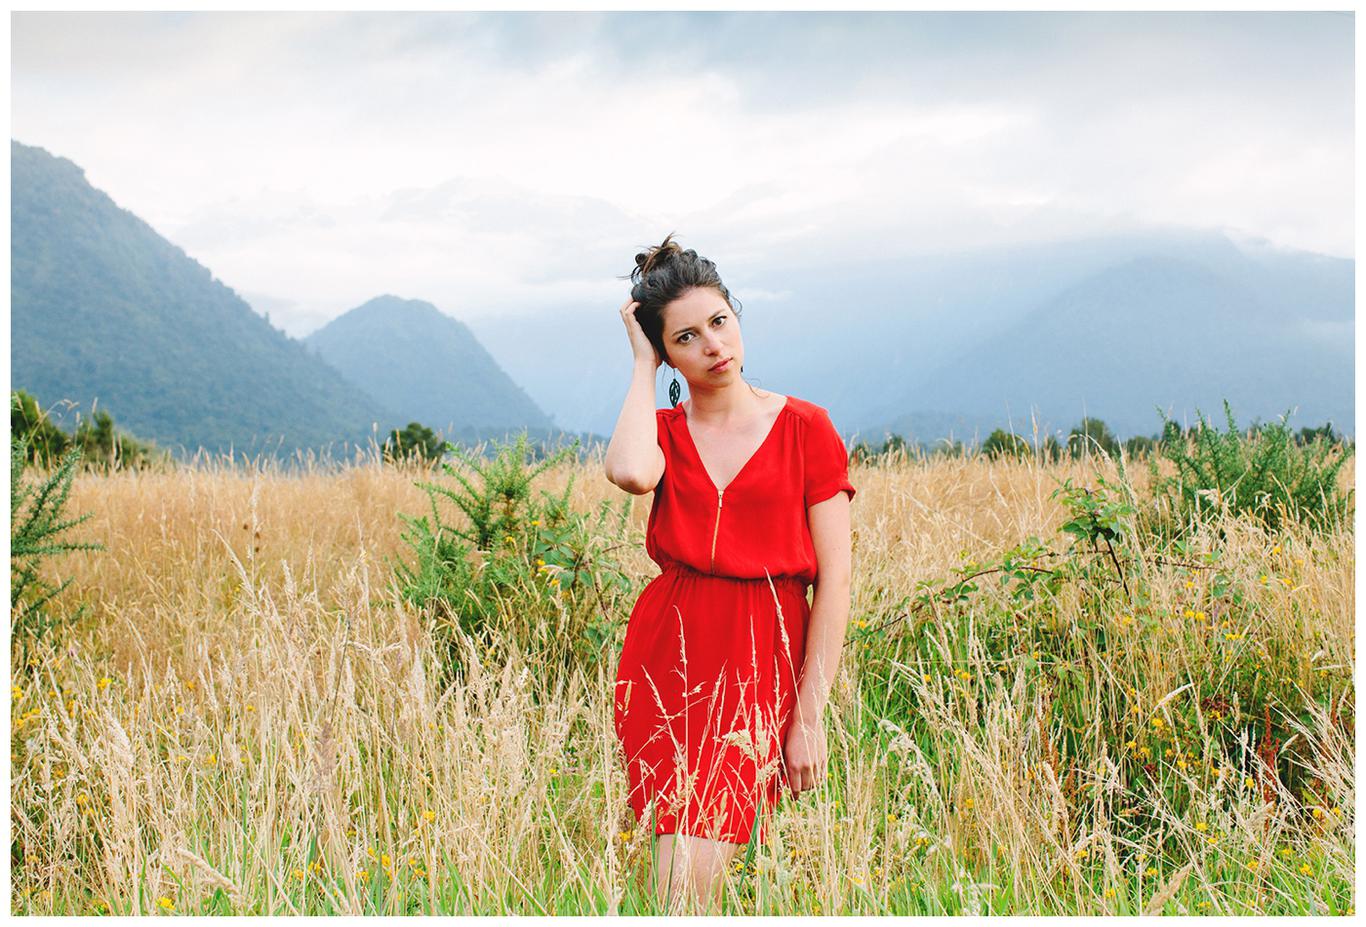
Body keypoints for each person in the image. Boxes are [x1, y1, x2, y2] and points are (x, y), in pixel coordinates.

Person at [603, 234, 856, 913]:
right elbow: (630, 472)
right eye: (685, 337)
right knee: (675, 868)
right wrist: (639, 365)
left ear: (737, 316)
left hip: (759, 654)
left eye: (720, 320)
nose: (713, 344)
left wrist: (809, 717)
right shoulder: (663, 430)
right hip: (669, 653)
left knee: (687, 872)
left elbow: (835, 581)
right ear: (668, 356)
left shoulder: (807, 427)